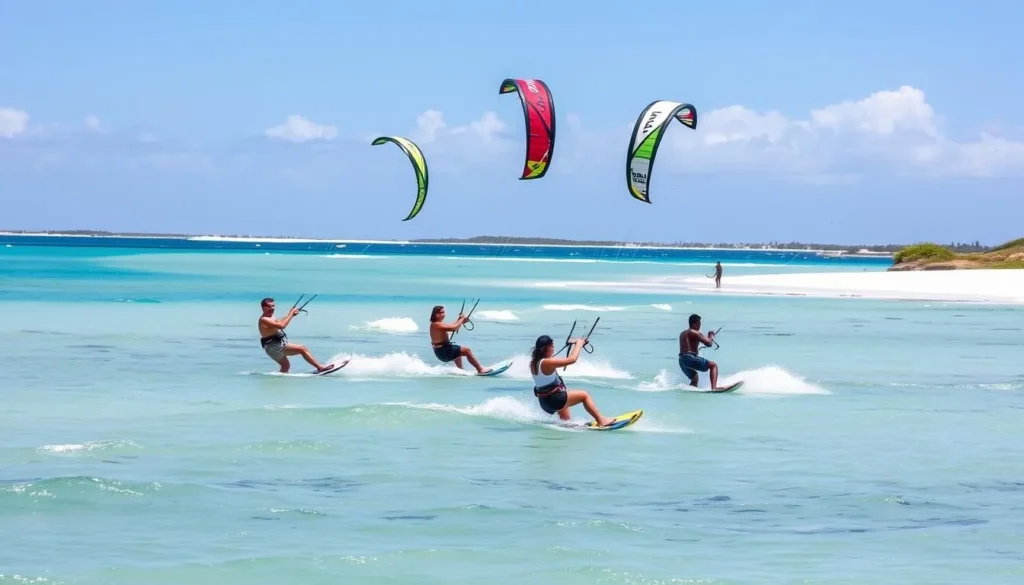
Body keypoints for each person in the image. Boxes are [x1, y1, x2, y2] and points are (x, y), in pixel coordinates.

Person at [529, 334, 614, 427]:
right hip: (555, 400)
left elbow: (552, 363)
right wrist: (579, 344)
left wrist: (573, 343)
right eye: (552, 346)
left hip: (545, 402)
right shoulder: (547, 362)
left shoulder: (533, 363)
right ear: (547, 348)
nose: (554, 348)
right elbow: (572, 360)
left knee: (565, 405)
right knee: (584, 395)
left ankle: (566, 425)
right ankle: (601, 421)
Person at [258, 297, 330, 373]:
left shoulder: (270, 316)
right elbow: (282, 325)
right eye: (269, 306)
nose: (272, 308)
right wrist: (291, 314)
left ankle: (280, 381)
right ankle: (320, 367)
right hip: (274, 347)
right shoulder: (264, 319)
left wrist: (290, 314)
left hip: (273, 347)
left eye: (273, 306)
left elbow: (277, 322)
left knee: (286, 366)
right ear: (263, 307)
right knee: (302, 349)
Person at [428, 305, 491, 374]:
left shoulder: (436, 324)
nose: (443, 314)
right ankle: (480, 369)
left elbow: (452, 326)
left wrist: (459, 320)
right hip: (444, 352)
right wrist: (462, 319)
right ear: (436, 314)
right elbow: (453, 328)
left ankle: (461, 371)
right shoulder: (437, 324)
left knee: (458, 353)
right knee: (467, 350)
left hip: (441, 352)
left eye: (443, 312)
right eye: (440, 313)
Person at [678, 313, 720, 389]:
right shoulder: (694, 332)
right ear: (695, 324)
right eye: (699, 324)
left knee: (694, 378)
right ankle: (714, 388)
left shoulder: (683, 333)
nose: (700, 326)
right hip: (690, 357)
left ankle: (690, 392)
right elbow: (708, 344)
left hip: (682, 360)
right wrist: (711, 336)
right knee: (713, 365)